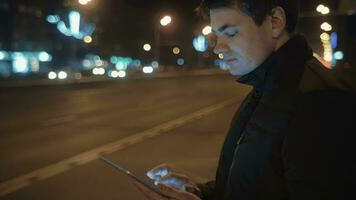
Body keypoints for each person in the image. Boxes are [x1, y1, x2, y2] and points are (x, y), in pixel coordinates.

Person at [135, 0, 356, 199]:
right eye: (216, 37)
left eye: (230, 33)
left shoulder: (320, 103)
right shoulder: (266, 89)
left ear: (275, 22)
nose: (218, 48)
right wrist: (196, 193)